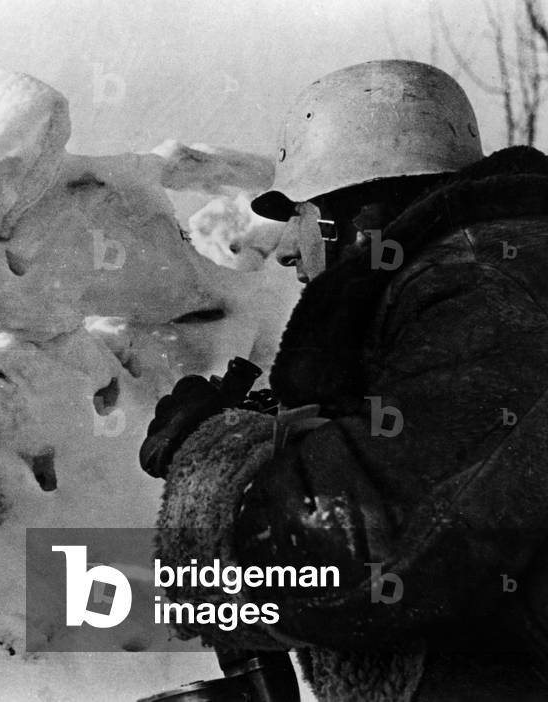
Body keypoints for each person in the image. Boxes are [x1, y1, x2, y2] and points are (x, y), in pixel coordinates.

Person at [142, 59, 548, 701]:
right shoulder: (486, 284)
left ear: (359, 215)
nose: (286, 251)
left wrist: (216, 459)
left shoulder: (487, 296)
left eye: (300, 215)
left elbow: (350, 559)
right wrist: (295, 437)